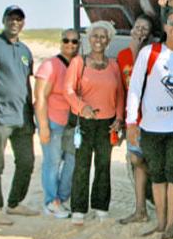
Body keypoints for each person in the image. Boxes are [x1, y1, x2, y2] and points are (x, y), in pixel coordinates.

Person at [126, 9, 173, 239]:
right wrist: (131, 121)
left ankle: (170, 226)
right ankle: (159, 223)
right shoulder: (150, 53)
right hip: (151, 127)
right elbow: (135, 87)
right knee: (157, 176)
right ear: (165, 27)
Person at [0, 5, 38, 225]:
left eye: (19, 19)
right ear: (4, 20)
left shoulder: (25, 51)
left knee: (27, 162)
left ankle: (14, 203)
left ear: (23, 23)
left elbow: (27, 84)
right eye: (11, 18)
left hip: (22, 117)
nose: (14, 22)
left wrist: (32, 114)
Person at [64, 20, 125, 226]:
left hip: (107, 124)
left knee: (103, 165)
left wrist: (118, 118)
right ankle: (78, 210)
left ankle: (101, 207)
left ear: (108, 40)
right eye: (94, 36)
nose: (98, 40)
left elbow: (119, 94)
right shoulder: (78, 63)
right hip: (85, 122)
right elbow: (68, 90)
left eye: (102, 36)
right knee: (81, 166)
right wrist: (82, 107)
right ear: (88, 39)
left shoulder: (114, 65)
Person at [34, 28, 81, 219]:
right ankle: (51, 201)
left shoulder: (78, 65)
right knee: (52, 162)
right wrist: (43, 125)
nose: (70, 44)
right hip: (53, 121)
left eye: (74, 41)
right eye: (66, 40)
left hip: (71, 124)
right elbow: (40, 96)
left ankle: (61, 199)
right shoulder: (50, 65)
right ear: (60, 42)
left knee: (72, 161)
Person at [116, 15, 155, 225]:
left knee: (145, 161)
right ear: (132, 29)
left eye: (145, 29)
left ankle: (144, 210)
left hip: (150, 118)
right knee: (136, 160)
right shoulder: (122, 56)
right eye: (138, 27)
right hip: (134, 118)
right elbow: (121, 87)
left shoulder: (149, 55)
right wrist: (121, 118)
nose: (140, 31)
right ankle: (140, 210)